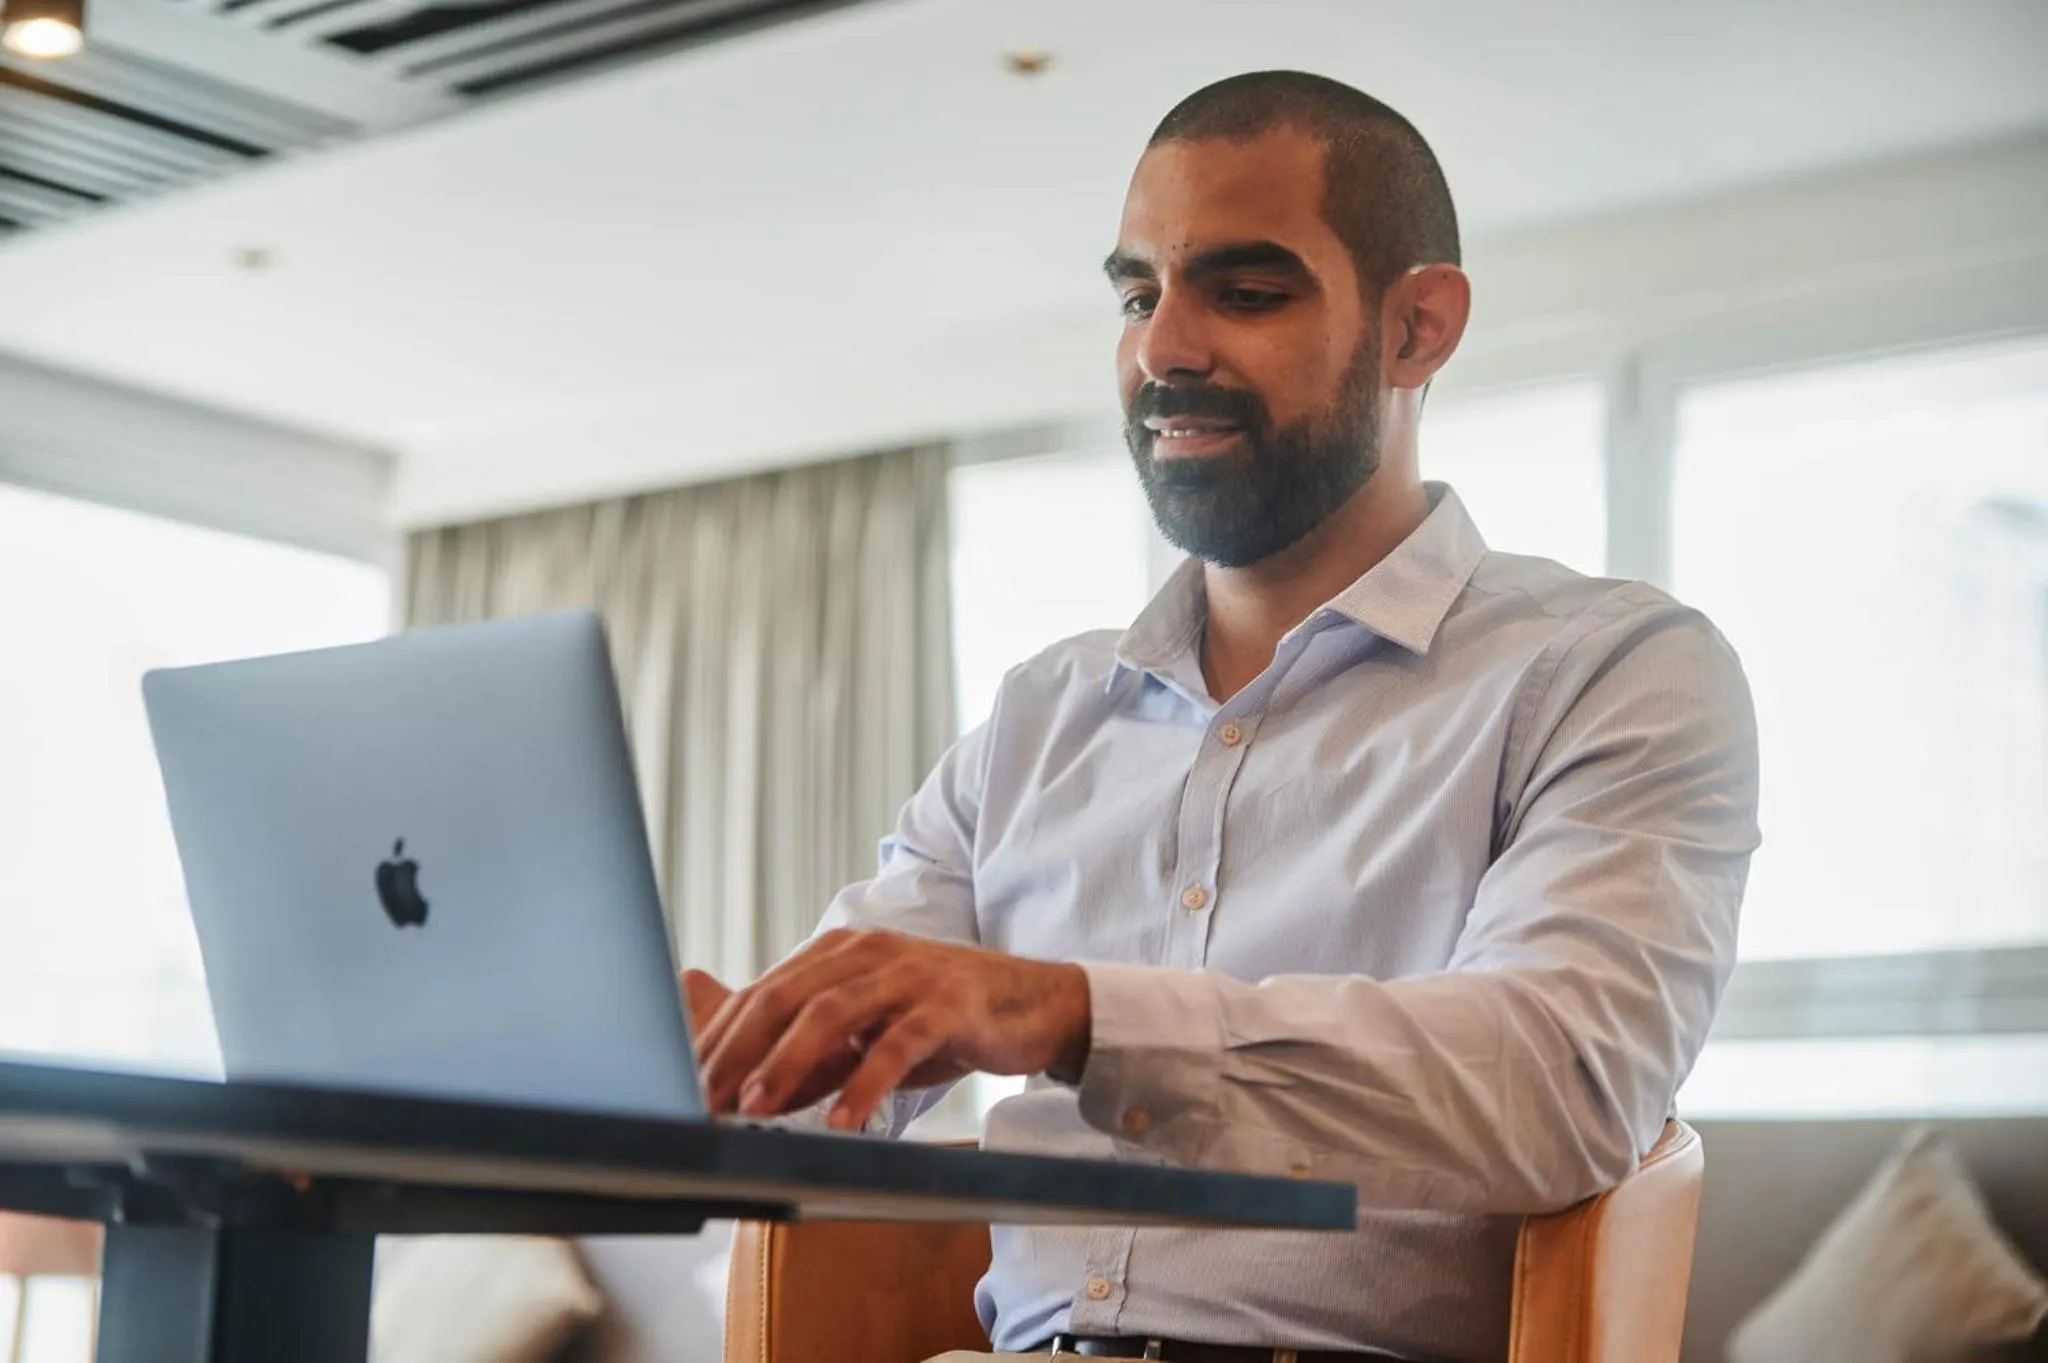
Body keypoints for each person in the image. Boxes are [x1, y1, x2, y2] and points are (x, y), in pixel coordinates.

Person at [683, 70, 1760, 1363]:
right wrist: (716, 1063)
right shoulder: (1040, 716)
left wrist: (1068, 1011)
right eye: (1138, 293)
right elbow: (818, 1094)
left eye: (1244, 294)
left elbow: (1561, 1085)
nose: (1162, 349)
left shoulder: (1613, 668)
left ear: (1418, 327)